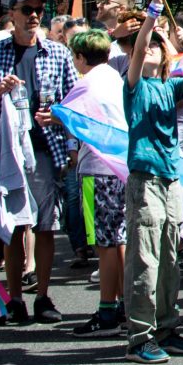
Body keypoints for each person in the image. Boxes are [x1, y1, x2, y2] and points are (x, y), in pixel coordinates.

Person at [123, 0, 183, 363]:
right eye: (148, 48)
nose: (152, 51)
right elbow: (141, 46)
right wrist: (153, 12)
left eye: (161, 47)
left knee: (170, 261)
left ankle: (166, 327)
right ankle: (139, 338)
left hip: (170, 179)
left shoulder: (170, 87)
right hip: (144, 180)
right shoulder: (133, 86)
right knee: (145, 261)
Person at [0, 0, 78, 324]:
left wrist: (59, 118)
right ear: (13, 14)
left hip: (44, 148)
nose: (34, 15)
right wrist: (0, 89)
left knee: (45, 225)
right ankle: (15, 300)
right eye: (27, 9)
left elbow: (74, 102)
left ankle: (43, 297)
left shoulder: (58, 53)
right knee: (14, 225)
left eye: (40, 9)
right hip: (5, 150)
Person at [67, 30, 129, 337]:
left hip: (96, 168)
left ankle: (107, 311)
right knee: (119, 239)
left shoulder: (85, 82)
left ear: (80, 57)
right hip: (121, 169)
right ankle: (124, 306)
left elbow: (65, 115)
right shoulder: (116, 79)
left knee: (104, 242)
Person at [95, 0, 138, 75]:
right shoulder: (99, 37)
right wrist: (114, 35)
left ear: (121, 9)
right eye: (99, 1)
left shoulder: (135, 37)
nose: (99, 5)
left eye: (105, 2)